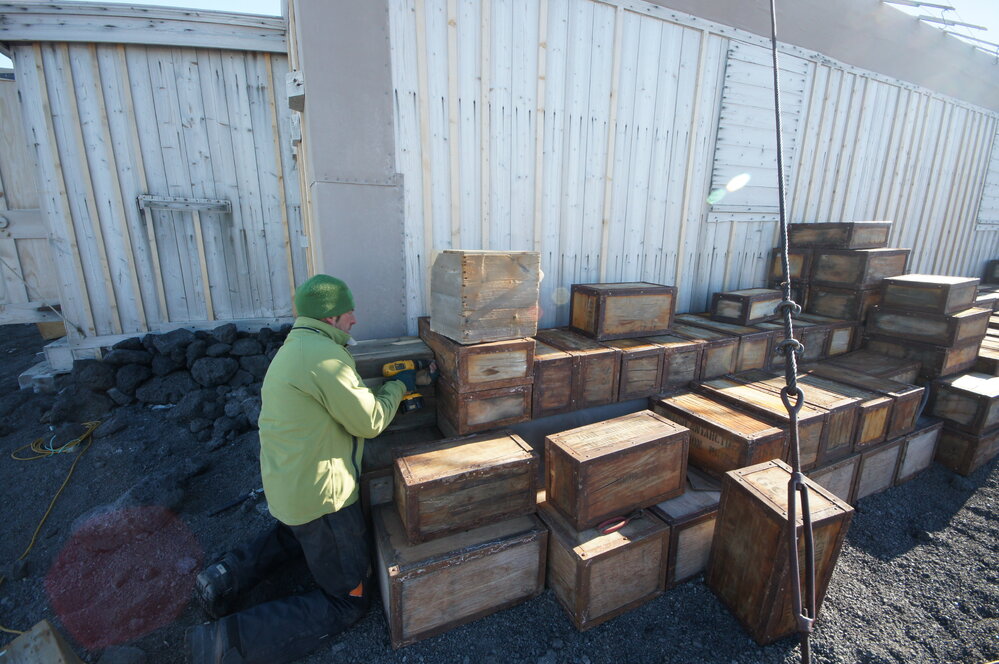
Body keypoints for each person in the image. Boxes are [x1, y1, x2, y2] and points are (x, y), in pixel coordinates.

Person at [187, 275, 416, 664]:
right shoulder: (323, 359)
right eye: (348, 314)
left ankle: (223, 577)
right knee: (348, 600)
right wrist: (399, 387)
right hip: (322, 499)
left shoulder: (297, 347)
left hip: (289, 487)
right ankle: (227, 642)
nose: (355, 320)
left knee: (297, 534)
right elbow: (371, 421)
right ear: (329, 319)